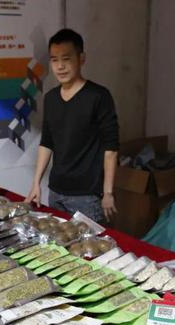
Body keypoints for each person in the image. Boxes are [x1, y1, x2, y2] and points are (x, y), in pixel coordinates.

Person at [25, 29, 120, 223]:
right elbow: (47, 142)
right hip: (55, 191)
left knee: (90, 242)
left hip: (87, 195)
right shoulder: (51, 98)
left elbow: (111, 148)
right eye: (54, 60)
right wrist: (36, 183)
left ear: (81, 58)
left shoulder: (98, 96)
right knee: (57, 240)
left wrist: (108, 192)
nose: (60, 66)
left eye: (66, 59)